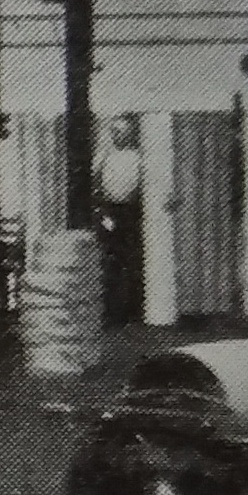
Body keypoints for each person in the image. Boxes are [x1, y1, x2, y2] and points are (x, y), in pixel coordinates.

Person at [92, 114, 147, 332]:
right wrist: (102, 212)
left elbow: (144, 186)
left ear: (130, 134)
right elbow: (94, 184)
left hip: (131, 213)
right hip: (109, 211)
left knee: (131, 262)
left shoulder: (138, 158)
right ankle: (110, 313)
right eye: (115, 131)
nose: (119, 136)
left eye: (123, 132)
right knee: (109, 263)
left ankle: (131, 313)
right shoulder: (104, 157)